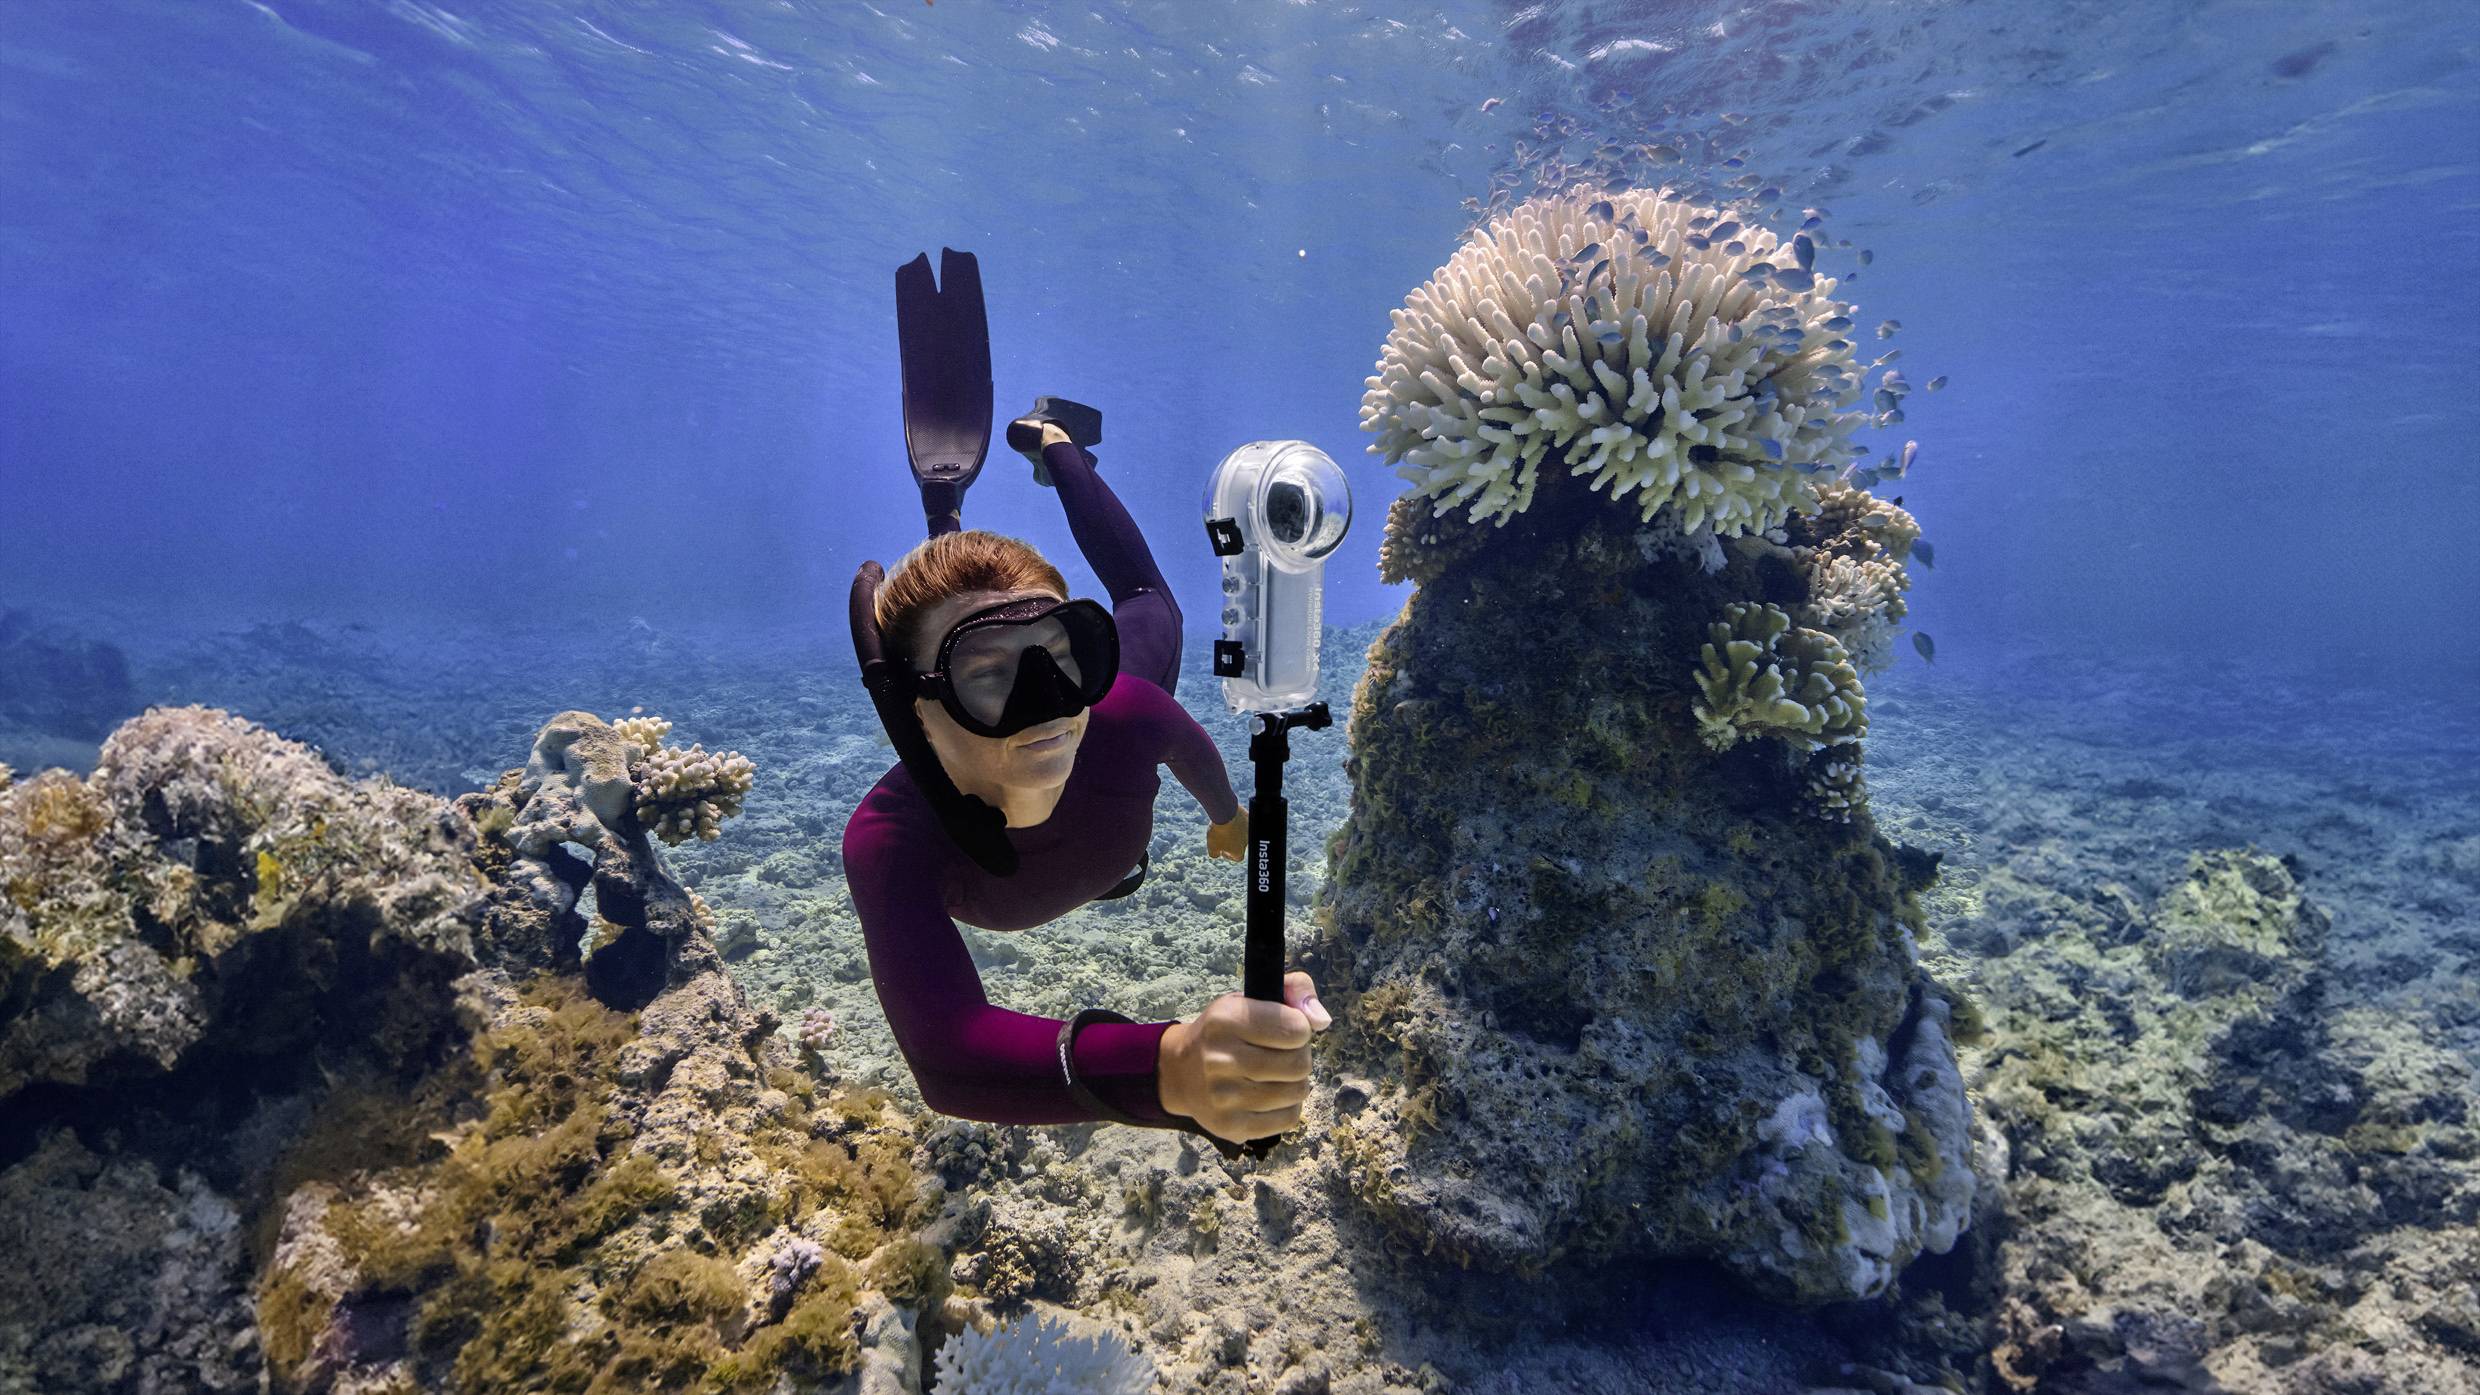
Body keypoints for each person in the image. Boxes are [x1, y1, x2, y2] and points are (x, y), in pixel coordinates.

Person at [843, 412, 1333, 1145]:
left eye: (1061, 653)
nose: (1050, 702)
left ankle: (1054, 442)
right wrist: (1169, 1067)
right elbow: (947, 1057)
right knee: (1138, 594)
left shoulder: (1125, 707)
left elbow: (1192, 749)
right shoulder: (889, 838)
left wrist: (1227, 816)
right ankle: (945, 514)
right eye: (988, 674)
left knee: (1146, 598)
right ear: (915, 709)